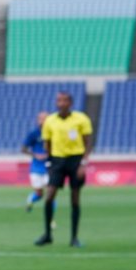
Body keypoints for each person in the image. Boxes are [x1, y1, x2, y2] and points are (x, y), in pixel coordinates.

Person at [35, 92, 93, 248]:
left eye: (64, 100)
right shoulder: (50, 121)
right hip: (57, 161)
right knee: (49, 196)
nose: (61, 103)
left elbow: (87, 143)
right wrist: (49, 164)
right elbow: (47, 144)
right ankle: (48, 234)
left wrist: (83, 163)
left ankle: (74, 237)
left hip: (75, 160)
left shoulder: (81, 119)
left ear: (71, 103)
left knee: (75, 199)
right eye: (59, 100)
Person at [22, 111, 51, 212]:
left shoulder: (54, 133)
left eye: (44, 119)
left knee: (51, 192)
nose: (42, 121)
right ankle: (31, 199)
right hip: (36, 168)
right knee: (39, 194)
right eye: (40, 119)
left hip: (50, 167)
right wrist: (35, 155)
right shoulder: (34, 134)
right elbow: (23, 149)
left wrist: (49, 154)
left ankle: (51, 218)